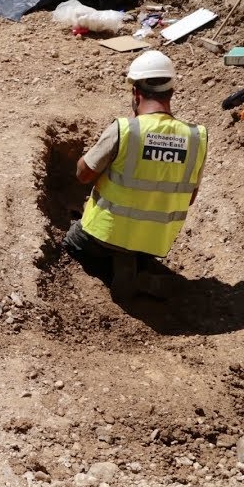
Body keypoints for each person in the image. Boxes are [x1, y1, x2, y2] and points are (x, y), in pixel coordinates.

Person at [62, 49, 208, 301]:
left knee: (72, 244)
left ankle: (127, 276)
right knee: (132, 248)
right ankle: (136, 266)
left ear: (135, 93)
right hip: (154, 241)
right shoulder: (196, 137)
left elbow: (82, 174)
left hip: (107, 234)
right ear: (171, 92)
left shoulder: (126, 130)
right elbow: (190, 197)